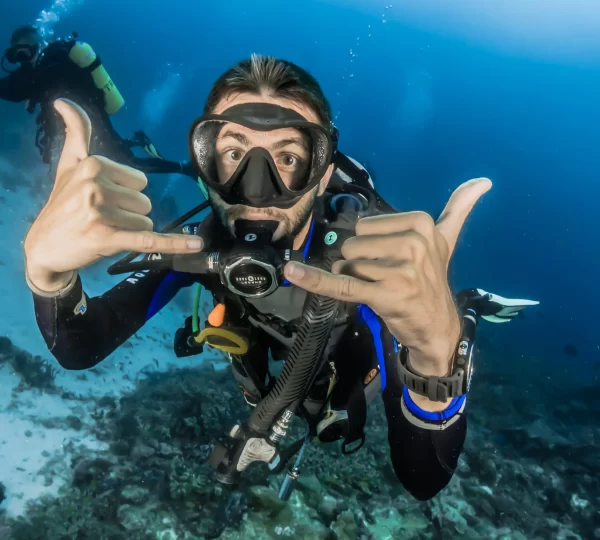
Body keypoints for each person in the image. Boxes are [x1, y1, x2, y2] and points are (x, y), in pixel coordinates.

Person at [22, 54, 531, 501]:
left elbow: (423, 479)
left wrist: (436, 356)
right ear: (204, 164)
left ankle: (459, 309)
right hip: (273, 381)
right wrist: (48, 275)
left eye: (288, 157)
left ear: (323, 172)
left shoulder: (370, 261)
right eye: (233, 153)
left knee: (426, 329)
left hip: (350, 378)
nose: (257, 188)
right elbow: (79, 345)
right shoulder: (199, 243)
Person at [0, 25, 195, 178]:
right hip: (76, 124)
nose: (22, 59)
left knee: (127, 164)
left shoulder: (53, 63)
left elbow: (20, 87)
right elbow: (26, 85)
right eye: (17, 55)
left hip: (91, 119)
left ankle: (183, 168)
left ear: (38, 45)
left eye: (26, 51)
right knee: (99, 159)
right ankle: (135, 141)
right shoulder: (41, 68)